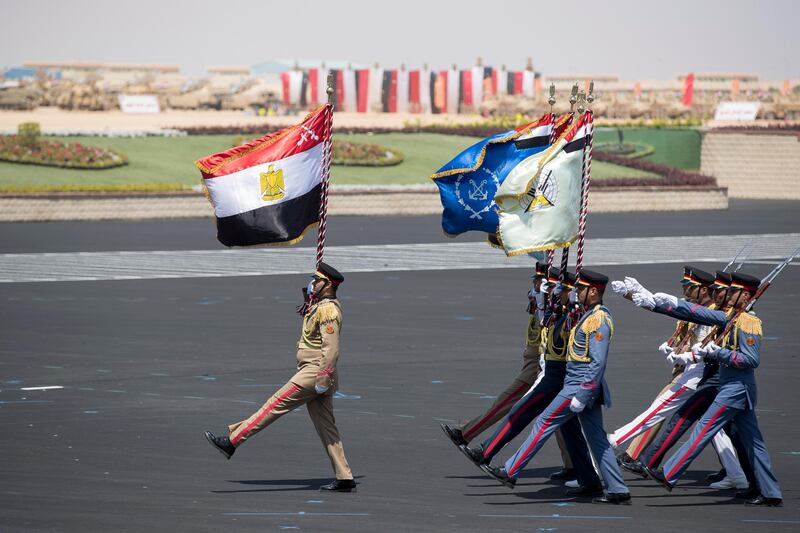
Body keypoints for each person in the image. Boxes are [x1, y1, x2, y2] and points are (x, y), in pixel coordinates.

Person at [630, 272, 782, 507]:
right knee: (752, 442)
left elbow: (751, 360)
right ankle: (769, 492)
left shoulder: (749, 322)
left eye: (734, 292)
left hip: (736, 388)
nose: (728, 295)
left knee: (703, 429)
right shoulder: (731, 316)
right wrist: (664, 304)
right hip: (731, 387)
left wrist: (717, 353)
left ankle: (670, 474)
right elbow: (697, 313)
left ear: (747, 296)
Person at [481, 270, 631, 505]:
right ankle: (614, 488)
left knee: (544, 422)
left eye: (581, 289)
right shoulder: (587, 314)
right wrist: (550, 298)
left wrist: (582, 393)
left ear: (593, 291)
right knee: (595, 438)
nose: (577, 292)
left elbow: (597, 362)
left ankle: (511, 470)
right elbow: (557, 316)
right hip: (578, 383)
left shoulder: (598, 319)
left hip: (580, 384)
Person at [204, 262, 356, 492]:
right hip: (312, 370)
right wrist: (309, 298)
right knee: (327, 427)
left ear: (328, 285)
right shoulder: (320, 306)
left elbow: (331, 349)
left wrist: (322, 380)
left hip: (314, 373)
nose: (312, 283)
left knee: (274, 405)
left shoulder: (328, 310)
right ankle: (345, 477)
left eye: (317, 281)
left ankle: (233, 441)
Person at [459, 269, 602, 496]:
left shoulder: (580, 314)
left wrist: (570, 306)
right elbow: (544, 322)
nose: (556, 292)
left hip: (561, 376)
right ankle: (589, 477)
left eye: (562, 289)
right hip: (555, 373)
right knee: (571, 431)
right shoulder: (560, 310)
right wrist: (540, 300)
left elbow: (567, 332)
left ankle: (487, 452)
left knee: (521, 411)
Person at [610, 267, 748, 490]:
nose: (685, 289)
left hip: (702, 373)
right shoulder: (712, 308)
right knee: (714, 428)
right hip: (694, 371)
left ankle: (615, 441)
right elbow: (683, 314)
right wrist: (640, 295)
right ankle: (736, 473)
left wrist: (689, 355)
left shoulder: (723, 313)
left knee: (660, 409)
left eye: (689, 287)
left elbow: (690, 315)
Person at [441, 263, 548, 447]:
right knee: (559, 420)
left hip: (538, 365)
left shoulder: (549, 305)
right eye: (536, 281)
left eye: (539, 281)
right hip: (532, 361)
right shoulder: (538, 300)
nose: (536, 284)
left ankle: (469, 436)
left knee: (506, 401)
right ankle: (573, 463)